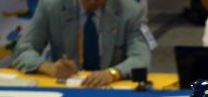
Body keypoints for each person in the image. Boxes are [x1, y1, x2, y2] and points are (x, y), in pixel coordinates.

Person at [12, 0, 151, 87]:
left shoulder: (132, 11)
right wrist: (47, 67)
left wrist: (113, 73)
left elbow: (141, 58)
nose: (92, 1)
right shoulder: (50, 5)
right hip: (67, 89)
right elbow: (23, 50)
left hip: (111, 89)